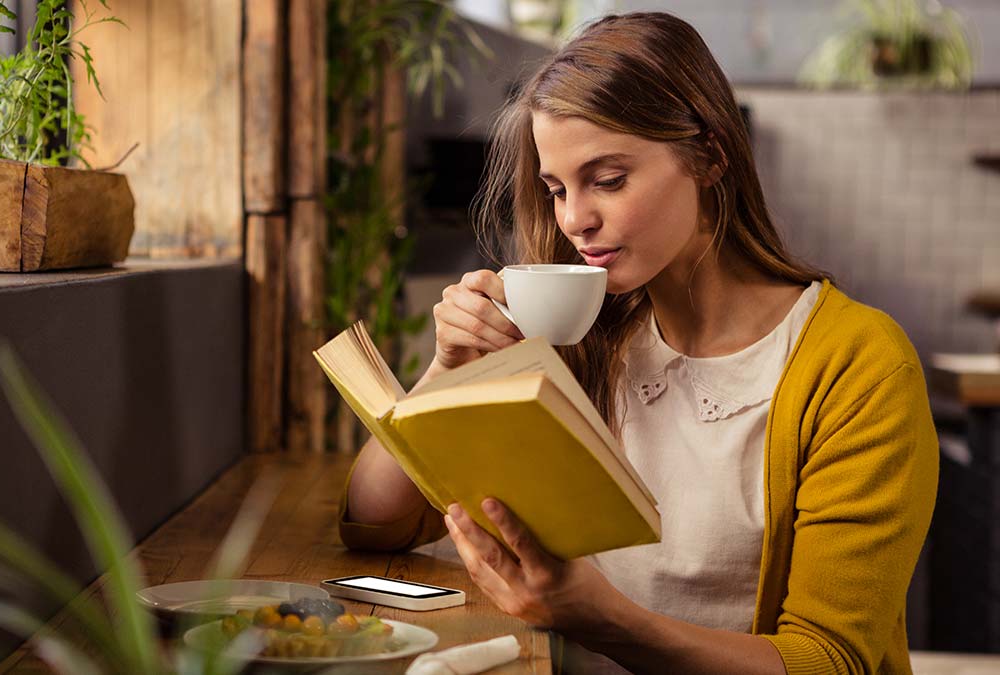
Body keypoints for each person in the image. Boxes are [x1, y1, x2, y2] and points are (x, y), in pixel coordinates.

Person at [338, 12, 937, 675]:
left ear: (709, 155)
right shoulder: (579, 339)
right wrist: (446, 368)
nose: (573, 220)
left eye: (608, 179)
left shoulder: (858, 365)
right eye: (557, 188)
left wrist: (605, 621)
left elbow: (827, 660)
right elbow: (373, 522)